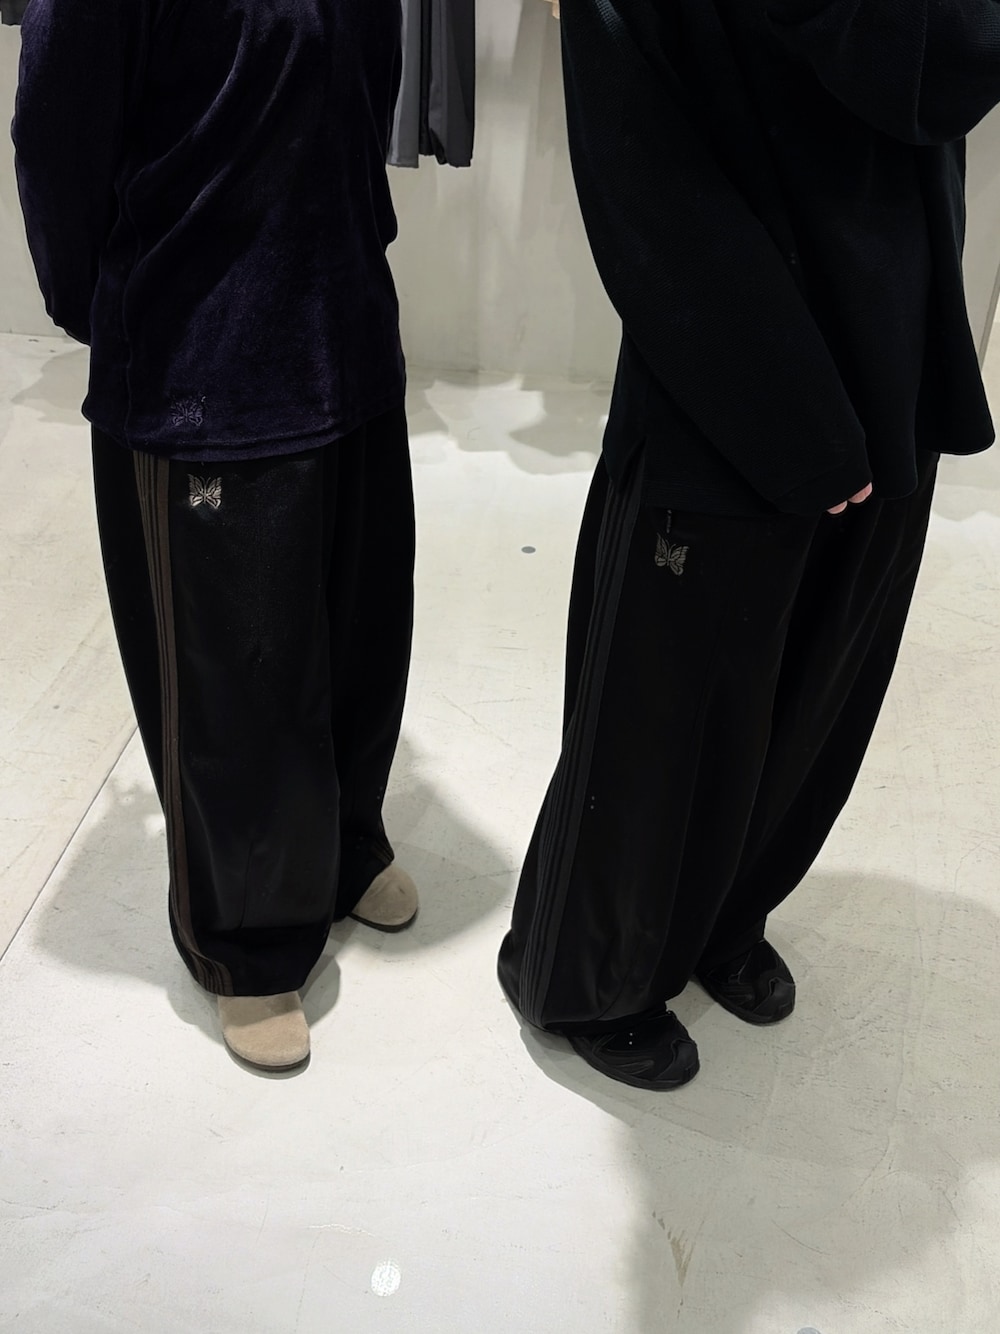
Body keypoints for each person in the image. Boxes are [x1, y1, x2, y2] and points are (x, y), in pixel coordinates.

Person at [499, 0, 1000, 1090]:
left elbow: (949, 69)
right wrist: (799, 422)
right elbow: (649, 185)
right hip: (734, 376)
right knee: (667, 707)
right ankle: (589, 975)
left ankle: (723, 911)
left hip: (879, 354)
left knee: (812, 689)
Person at [13, 0, 419, 1072]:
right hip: (204, 350)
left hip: (345, 322)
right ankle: (247, 938)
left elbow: (368, 70)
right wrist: (114, 300)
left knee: (363, 623)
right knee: (236, 674)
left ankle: (348, 844)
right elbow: (56, 131)